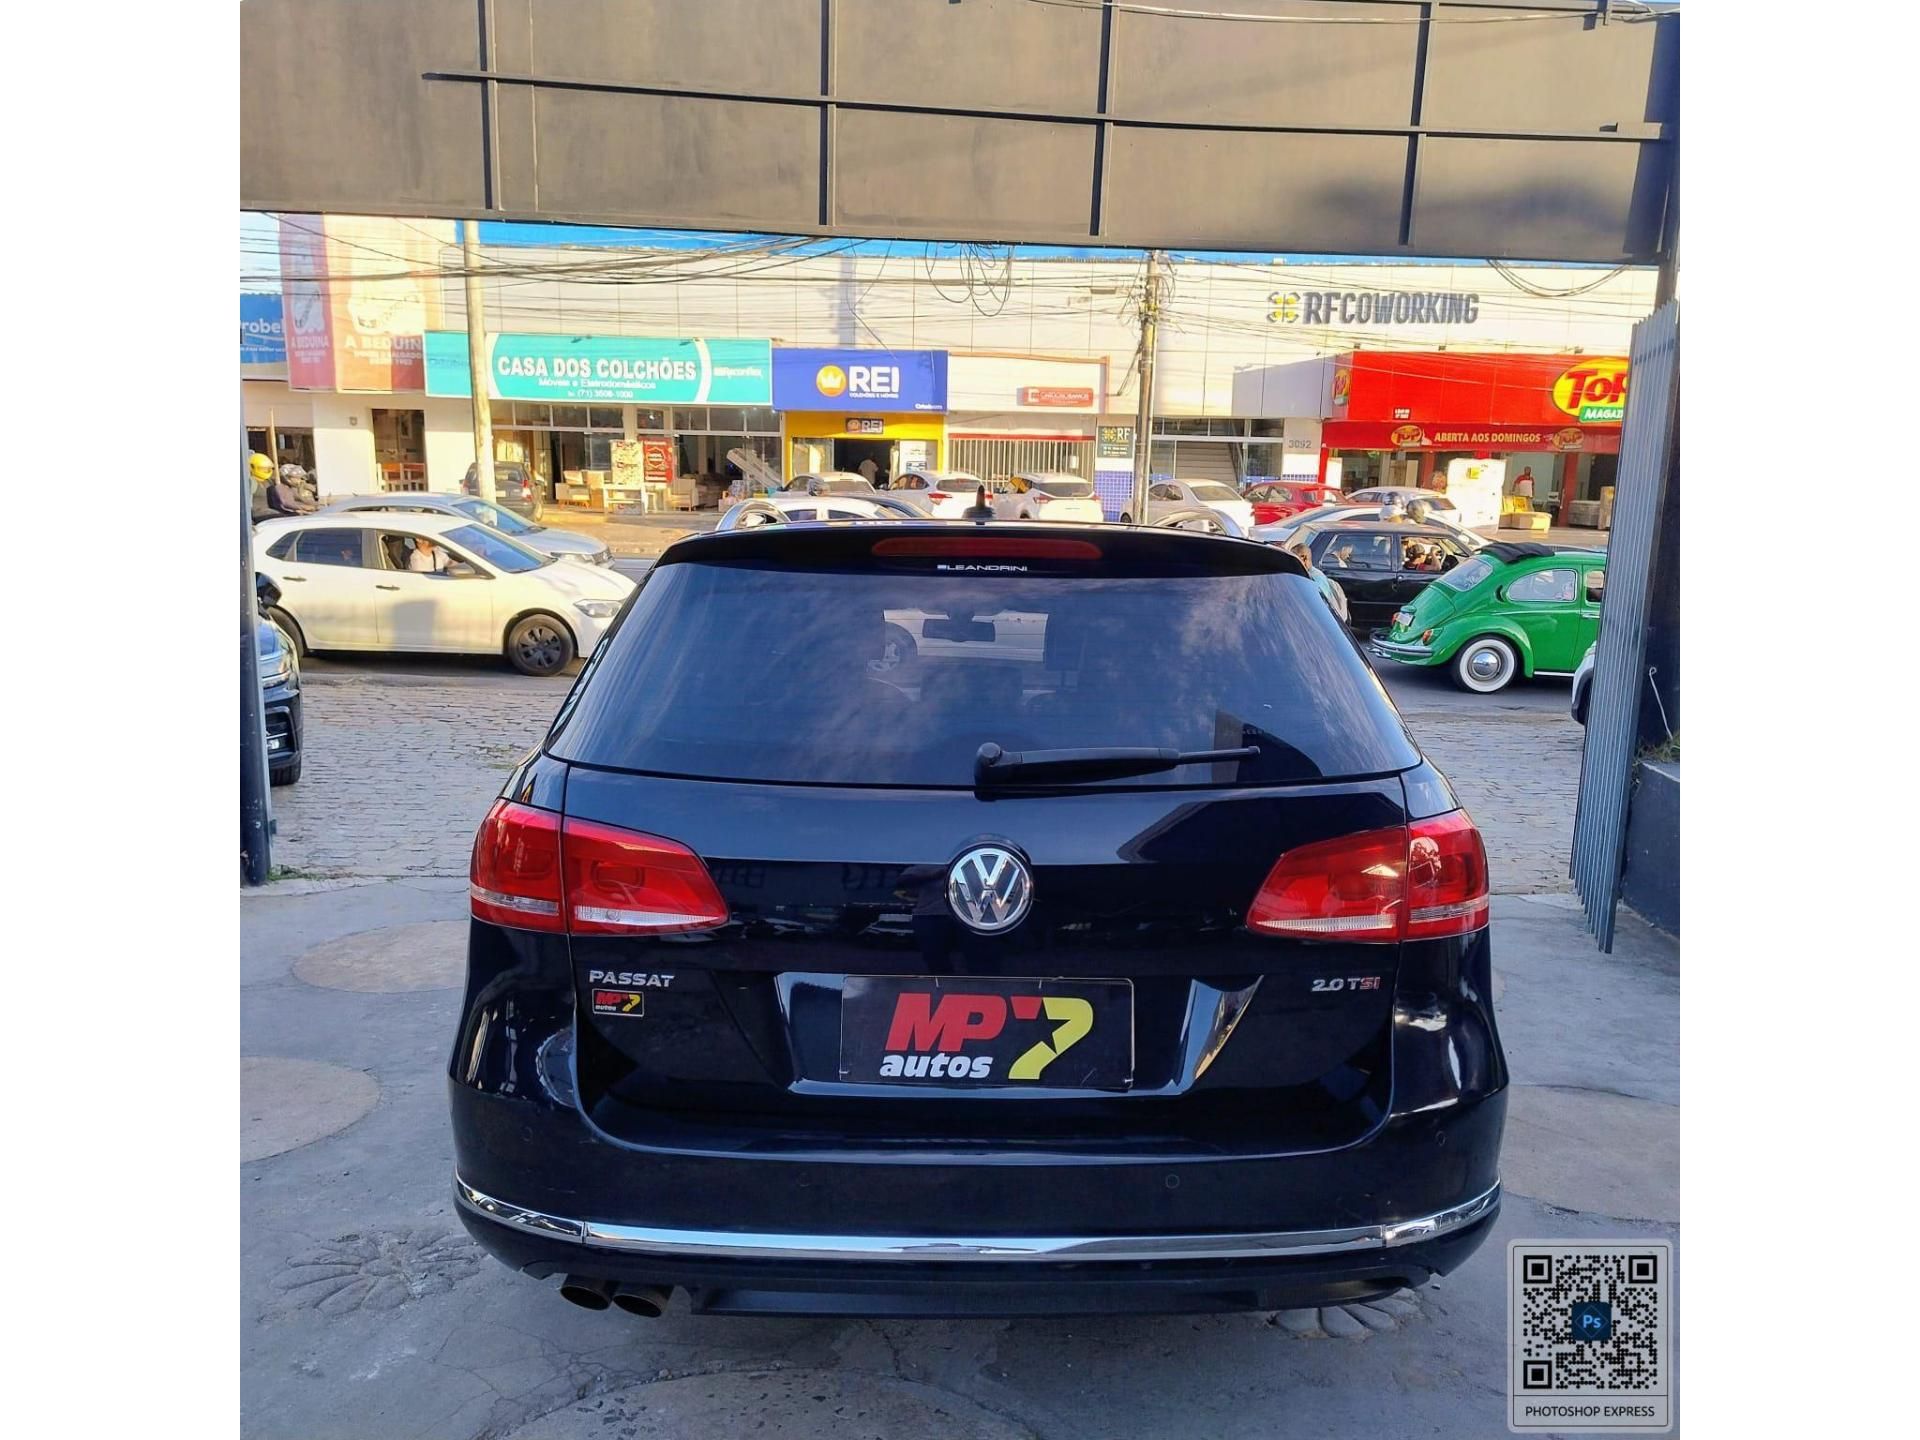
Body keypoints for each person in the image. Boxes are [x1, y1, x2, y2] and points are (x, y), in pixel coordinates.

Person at [1289, 543, 1349, 624]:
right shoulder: (1311, 573)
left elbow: (1318, 607)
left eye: (1294, 559)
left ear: (1304, 558)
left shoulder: (1315, 579)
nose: (1291, 563)